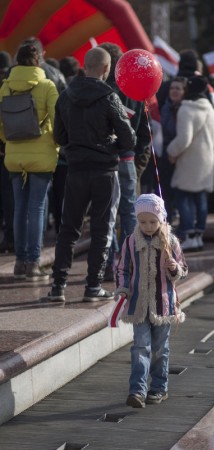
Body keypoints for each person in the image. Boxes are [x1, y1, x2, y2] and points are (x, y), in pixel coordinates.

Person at [48, 47, 136, 302]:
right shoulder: (110, 97)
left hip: (75, 170)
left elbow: (59, 137)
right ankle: (93, 286)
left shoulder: (66, 95)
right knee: (102, 228)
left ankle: (58, 286)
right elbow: (128, 138)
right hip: (104, 171)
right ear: (107, 69)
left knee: (68, 228)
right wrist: (111, 146)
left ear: (85, 66)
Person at [115, 193, 188, 408]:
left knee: (159, 349)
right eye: (142, 221)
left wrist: (174, 268)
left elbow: (183, 269)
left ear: (161, 219)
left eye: (152, 222)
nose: (147, 226)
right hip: (138, 305)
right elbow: (122, 269)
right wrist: (122, 289)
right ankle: (137, 390)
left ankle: (158, 388)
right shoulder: (130, 242)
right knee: (140, 347)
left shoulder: (171, 241)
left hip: (163, 305)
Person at [0, 44, 59, 280]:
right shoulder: (47, 86)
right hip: (42, 155)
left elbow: (1, 126)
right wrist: (54, 144)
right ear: (39, 61)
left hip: (14, 155)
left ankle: (20, 262)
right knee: (37, 207)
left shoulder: (5, 87)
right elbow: (58, 122)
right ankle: (33, 262)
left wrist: (10, 139)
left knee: (18, 208)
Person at [98, 42, 151, 281]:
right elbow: (143, 131)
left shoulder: (99, 91)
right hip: (128, 159)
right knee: (129, 213)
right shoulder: (134, 91)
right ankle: (130, 265)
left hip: (105, 159)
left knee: (106, 213)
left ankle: (108, 265)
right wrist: (136, 155)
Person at [167, 76, 214, 251]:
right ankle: (198, 236)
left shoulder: (186, 109)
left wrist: (171, 151)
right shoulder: (211, 110)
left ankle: (189, 234)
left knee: (182, 196)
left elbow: (184, 139)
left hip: (189, 160)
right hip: (207, 160)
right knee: (201, 198)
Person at [159, 76, 188, 222]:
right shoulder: (164, 107)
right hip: (165, 154)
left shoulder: (187, 109)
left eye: (178, 88)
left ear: (184, 91)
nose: (174, 91)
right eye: (172, 88)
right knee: (166, 191)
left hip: (183, 155)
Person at [0, 51, 14, 253]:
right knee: (12, 198)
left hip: (6, 148)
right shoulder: (10, 85)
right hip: (11, 150)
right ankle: (11, 238)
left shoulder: (5, 88)